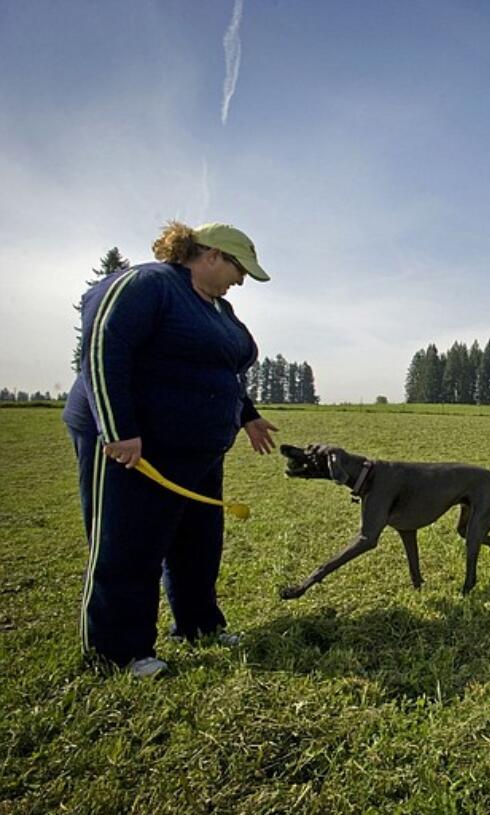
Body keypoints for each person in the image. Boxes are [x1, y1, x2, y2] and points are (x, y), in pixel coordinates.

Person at [63, 221, 278, 678]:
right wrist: (118, 428)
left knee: (198, 544)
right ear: (212, 255)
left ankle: (198, 624)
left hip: (197, 451)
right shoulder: (147, 284)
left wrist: (247, 414)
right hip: (137, 449)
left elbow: (226, 369)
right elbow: (104, 348)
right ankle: (118, 652)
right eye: (240, 269)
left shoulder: (218, 308)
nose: (241, 280)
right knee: (129, 544)